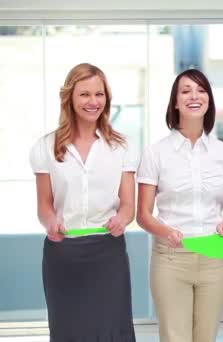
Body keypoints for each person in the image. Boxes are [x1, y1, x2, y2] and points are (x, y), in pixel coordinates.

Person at [30, 63, 137, 341]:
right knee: (68, 331)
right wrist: (51, 221)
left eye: (99, 94)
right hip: (63, 255)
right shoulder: (45, 147)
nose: (93, 102)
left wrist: (122, 219)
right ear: (70, 98)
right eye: (84, 94)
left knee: (113, 331)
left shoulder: (121, 147)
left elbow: (128, 205)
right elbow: (44, 204)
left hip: (108, 253)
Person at [136, 69, 223, 342]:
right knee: (175, 337)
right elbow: (144, 215)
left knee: (206, 337)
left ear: (209, 100)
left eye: (201, 90)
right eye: (185, 91)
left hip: (214, 255)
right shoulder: (155, 153)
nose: (194, 96)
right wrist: (165, 231)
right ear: (175, 102)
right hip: (172, 257)